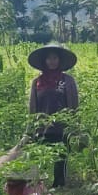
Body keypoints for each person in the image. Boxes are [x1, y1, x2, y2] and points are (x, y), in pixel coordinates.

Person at [27, 43, 80, 187]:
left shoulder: (67, 81)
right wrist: (31, 128)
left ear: (59, 60)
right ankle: (37, 186)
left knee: (61, 157)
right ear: (44, 61)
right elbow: (33, 107)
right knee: (38, 156)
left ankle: (59, 185)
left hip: (62, 126)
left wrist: (74, 126)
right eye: (49, 58)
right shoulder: (36, 83)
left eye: (55, 58)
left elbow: (74, 105)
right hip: (42, 127)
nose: (52, 61)